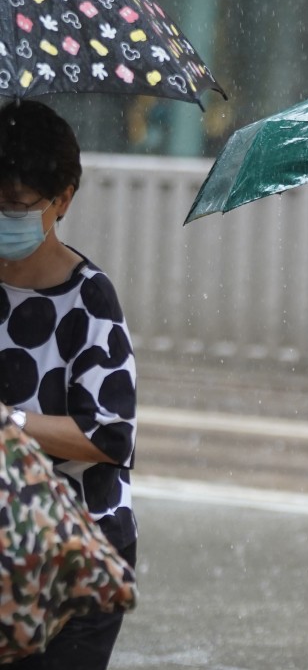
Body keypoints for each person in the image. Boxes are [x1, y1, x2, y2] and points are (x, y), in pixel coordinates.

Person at [0, 100, 137, 669]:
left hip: (71, 554)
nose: (5, 216)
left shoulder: (90, 299)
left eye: (18, 206)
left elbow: (108, 437)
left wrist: (9, 424)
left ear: (63, 200)